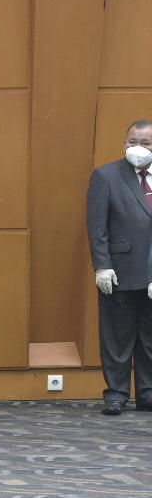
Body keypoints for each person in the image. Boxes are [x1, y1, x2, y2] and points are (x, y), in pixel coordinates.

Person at [88, 120, 152, 416]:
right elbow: (97, 225)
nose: (138, 148)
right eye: (132, 142)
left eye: (145, 143)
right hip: (119, 271)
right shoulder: (106, 176)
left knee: (150, 339)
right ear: (124, 143)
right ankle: (116, 394)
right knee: (117, 337)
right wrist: (102, 265)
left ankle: (148, 394)